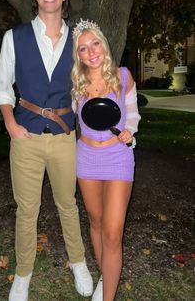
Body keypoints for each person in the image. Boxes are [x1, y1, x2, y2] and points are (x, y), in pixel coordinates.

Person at [0, 0, 93, 301]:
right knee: (27, 209)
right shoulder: (15, 37)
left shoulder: (79, 41)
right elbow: (3, 88)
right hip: (26, 136)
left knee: (67, 203)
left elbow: (85, 90)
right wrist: (11, 125)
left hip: (65, 137)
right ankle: (23, 274)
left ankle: (78, 262)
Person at [71, 19, 141, 301]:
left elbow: (133, 116)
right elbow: (78, 121)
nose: (91, 52)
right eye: (83, 48)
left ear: (104, 44)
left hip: (117, 156)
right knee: (96, 221)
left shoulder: (123, 76)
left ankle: (108, 296)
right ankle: (105, 276)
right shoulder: (77, 84)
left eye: (95, 43)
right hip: (87, 157)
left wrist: (130, 134)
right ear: (79, 55)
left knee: (113, 233)